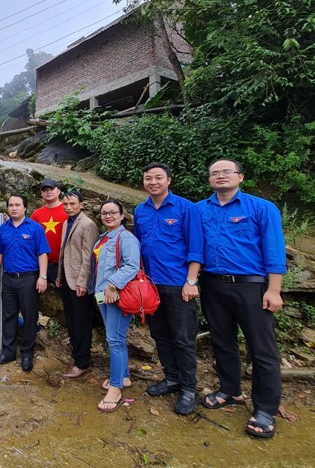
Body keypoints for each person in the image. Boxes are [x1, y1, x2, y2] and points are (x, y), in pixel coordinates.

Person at [198, 159, 286, 439]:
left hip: (252, 286)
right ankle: (230, 390)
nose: (220, 176)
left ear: (240, 176)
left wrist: (274, 289)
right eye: (215, 173)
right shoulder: (200, 209)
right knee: (222, 341)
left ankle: (265, 409)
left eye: (226, 172)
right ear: (209, 179)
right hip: (213, 284)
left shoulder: (261, 208)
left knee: (262, 349)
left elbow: (274, 249)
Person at [134, 163, 204, 415]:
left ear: (169, 181)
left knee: (183, 338)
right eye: (148, 178)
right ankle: (172, 378)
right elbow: (139, 247)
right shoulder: (140, 210)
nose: (153, 182)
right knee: (160, 334)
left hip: (178, 283)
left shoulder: (186, 208)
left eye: (158, 178)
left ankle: (189, 388)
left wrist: (191, 281)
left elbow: (196, 247)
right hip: (151, 285)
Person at [0, 193, 50, 372]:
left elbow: (42, 253)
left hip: (29, 279)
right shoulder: (3, 229)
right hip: (8, 278)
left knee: (30, 317)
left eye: (17, 205)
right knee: (8, 316)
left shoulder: (35, 228)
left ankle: (27, 355)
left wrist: (43, 276)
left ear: (25, 208)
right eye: (11, 205)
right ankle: (8, 353)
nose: (14, 208)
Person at [92, 199, 140, 413]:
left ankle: (115, 388)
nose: (108, 216)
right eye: (104, 213)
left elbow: (132, 265)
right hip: (103, 294)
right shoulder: (104, 238)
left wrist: (113, 286)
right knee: (115, 337)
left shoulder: (126, 238)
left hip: (117, 295)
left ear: (122, 216)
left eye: (113, 212)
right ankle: (125, 377)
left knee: (115, 340)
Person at [55, 190, 98, 379]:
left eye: (72, 204)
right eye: (65, 204)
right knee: (71, 320)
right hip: (66, 279)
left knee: (81, 323)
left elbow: (89, 257)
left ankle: (82, 362)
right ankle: (76, 355)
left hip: (79, 282)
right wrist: (59, 276)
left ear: (82, 204)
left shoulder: (88, 224)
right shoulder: (66, 222)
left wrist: (83, 283)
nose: (68, 207)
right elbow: (64, 251)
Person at [31, 179, 68, 286]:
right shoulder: (36, 214)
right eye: (45, 190)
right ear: (41, 194)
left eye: (51, 189)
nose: (48, 192)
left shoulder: (67, 210)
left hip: (63, 264)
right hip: (42, 263)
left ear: (58, 191)